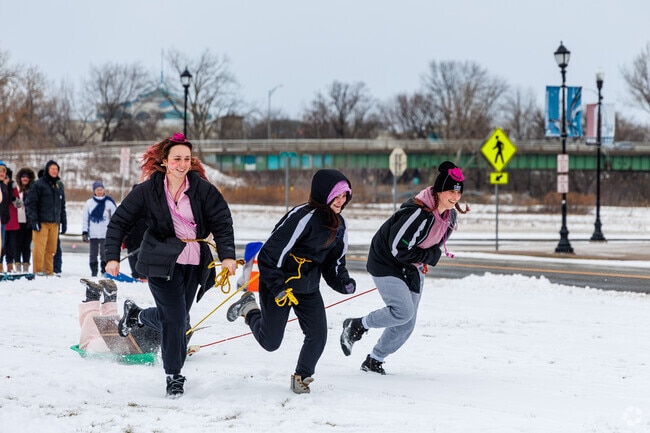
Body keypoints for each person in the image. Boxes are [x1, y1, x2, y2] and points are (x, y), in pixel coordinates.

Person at [104, 132, 237, 398]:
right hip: (161, 261)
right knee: (176, 318)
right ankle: (174, 375)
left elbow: (222, 221)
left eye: (187, 158)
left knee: (176, 319)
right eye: (177, 158)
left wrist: (227, 255)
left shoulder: (202, 189)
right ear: (165, 161)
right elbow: (120, 221)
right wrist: (111, 256)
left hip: (194, 263)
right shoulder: (148, 191)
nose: (182, 163)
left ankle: (137, 315)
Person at [226, 169, 357, 394]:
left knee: (318, 335)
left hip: (307, 288)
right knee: (270, 342)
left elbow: (333, 263)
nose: (341, 200)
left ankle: (302, 377)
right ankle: (249, 308)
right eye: (337, 195)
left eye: (345, 196)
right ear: (324, 194)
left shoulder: (340, 226)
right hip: (279, 283)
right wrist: (278, 288)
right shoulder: (303, 217)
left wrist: (342, 282)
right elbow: (269, 255)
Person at [339, 160, 470, 375]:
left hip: (411, 266)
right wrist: (430, 256)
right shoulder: (417, 213)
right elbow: (397, 248)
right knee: (403, 311)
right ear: (438, 191)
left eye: (458, 193)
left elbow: (432, 246)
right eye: (450, 192)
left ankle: (374, 360)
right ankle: (356, 325)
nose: (455, 198)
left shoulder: (450, 216)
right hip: (386, 262)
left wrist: (426, 260)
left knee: (407, 323)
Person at [24, 160, 67, 276]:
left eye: (56, 169)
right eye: (52, 169)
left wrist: (64, 221)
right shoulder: (38, 185)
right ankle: (38, 271)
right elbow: (30, 203)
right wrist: (34, 220)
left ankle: (49, 271)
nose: (54, 171)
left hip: (55, 222)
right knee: (39, 248)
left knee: (51, 249)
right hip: (41, 222)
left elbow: (62, 206)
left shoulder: (58, 185)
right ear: (48, 170)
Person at [82, 181, 117, 277]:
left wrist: (114, 231)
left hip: (105, 233)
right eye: (97, 190)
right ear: (94, 191)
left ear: (104, 190)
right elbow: (85, 218)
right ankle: (93, 271)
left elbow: (115, 218)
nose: (99, 191)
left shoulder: (109, 203)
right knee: (93, 254)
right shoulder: (89, 203)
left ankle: (103, 270)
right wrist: (85, 231)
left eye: (101, 189)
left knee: (104, 253)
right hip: (93, 233)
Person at [78, 278, 120, 352]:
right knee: (113, 339)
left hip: (108, 347)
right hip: (122, 346)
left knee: (86, 345)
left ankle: (94, 297)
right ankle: (109, 298)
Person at [13, 168, 35, 273]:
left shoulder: (33, 190)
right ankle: (17, 264)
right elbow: (15, 204)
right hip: (18, 220)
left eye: (27, 177)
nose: (25, 179)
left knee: (27, 244)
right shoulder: (16, 189)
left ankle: (26, 264)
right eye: (23, 177)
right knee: (18, 244)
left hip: (29, 221)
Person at [2, 167, 19, 272]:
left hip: (12, 222)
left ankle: (10, 265)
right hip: (2, 221)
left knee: (11, 246)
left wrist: (14, 199)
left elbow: (19, 204)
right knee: (1, 245)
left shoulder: (13, 188)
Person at [0, 163, 10, 272]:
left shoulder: (4, 186)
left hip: (3, 220)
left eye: (3, 172)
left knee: (1, 245)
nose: (1, 174)